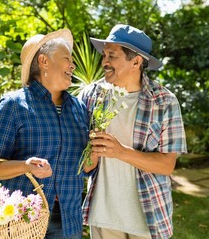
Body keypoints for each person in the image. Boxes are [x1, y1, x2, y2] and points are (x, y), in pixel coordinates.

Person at [79, 24, 187, 239]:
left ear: (136, 61)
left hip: (148, 217)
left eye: (112, 55)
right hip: (103, 216)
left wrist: (120, 152)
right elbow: (85, 164)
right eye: (104, 55)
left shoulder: (164, 101)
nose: (104, 62)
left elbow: (166, 165)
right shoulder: (90, 95)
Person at [0, 29, 89, 239]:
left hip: (68, 221)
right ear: (43, 61)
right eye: (67, 58)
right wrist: (25, 166)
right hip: (23, 220)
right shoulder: (13, 105)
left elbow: (84, 169)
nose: (73, 65)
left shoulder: (79, 108)